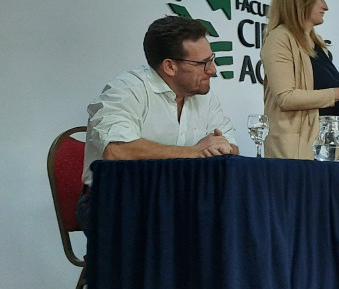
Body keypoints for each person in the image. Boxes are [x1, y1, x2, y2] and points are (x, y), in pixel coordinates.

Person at [81, 16, 239, 228]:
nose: (212, 70)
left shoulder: (205, 97)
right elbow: (117, 150)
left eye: (211, 59)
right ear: (170, 66)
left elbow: (231, 147)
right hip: (117, 202)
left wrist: (222, 148)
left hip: (181, 201)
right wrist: (195, 151)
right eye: (203, 63)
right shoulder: (126, 90)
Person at [261, 0, 339, 159]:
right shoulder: (279, 38)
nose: (325, 6)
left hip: (329, 146)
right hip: (297, 152)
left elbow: (319, 106)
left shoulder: (319, 44)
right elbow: (286, 98)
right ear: (301, 1)